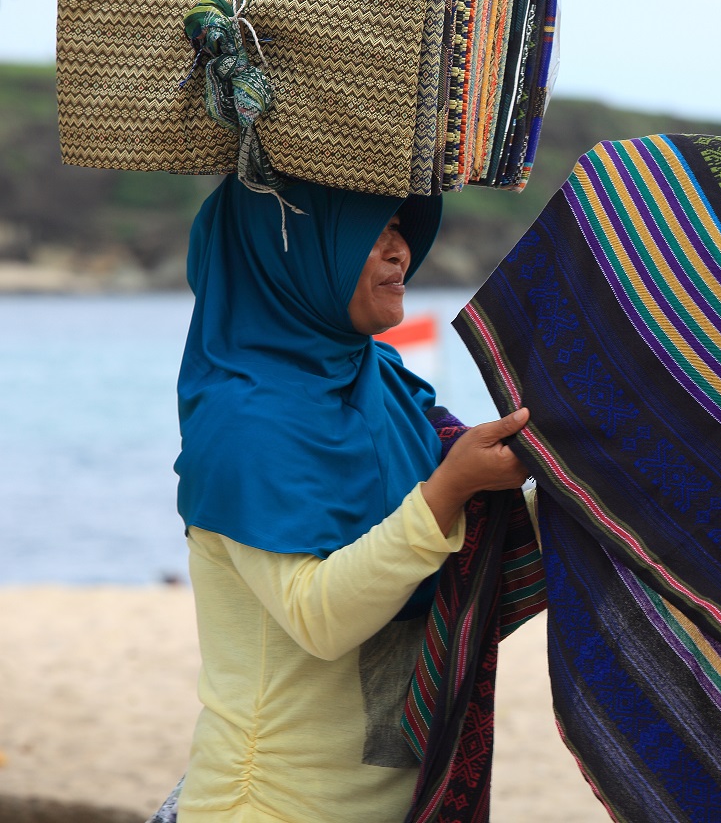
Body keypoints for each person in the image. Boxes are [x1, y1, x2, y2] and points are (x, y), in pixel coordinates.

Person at [170, 176, 530, 822]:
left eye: (400, 227)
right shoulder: (243, 426)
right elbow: (320, 618)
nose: (401, 252)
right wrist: (450, 487)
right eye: (372, 231)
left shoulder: (383, 382)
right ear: (295, 252)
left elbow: (476, 543)